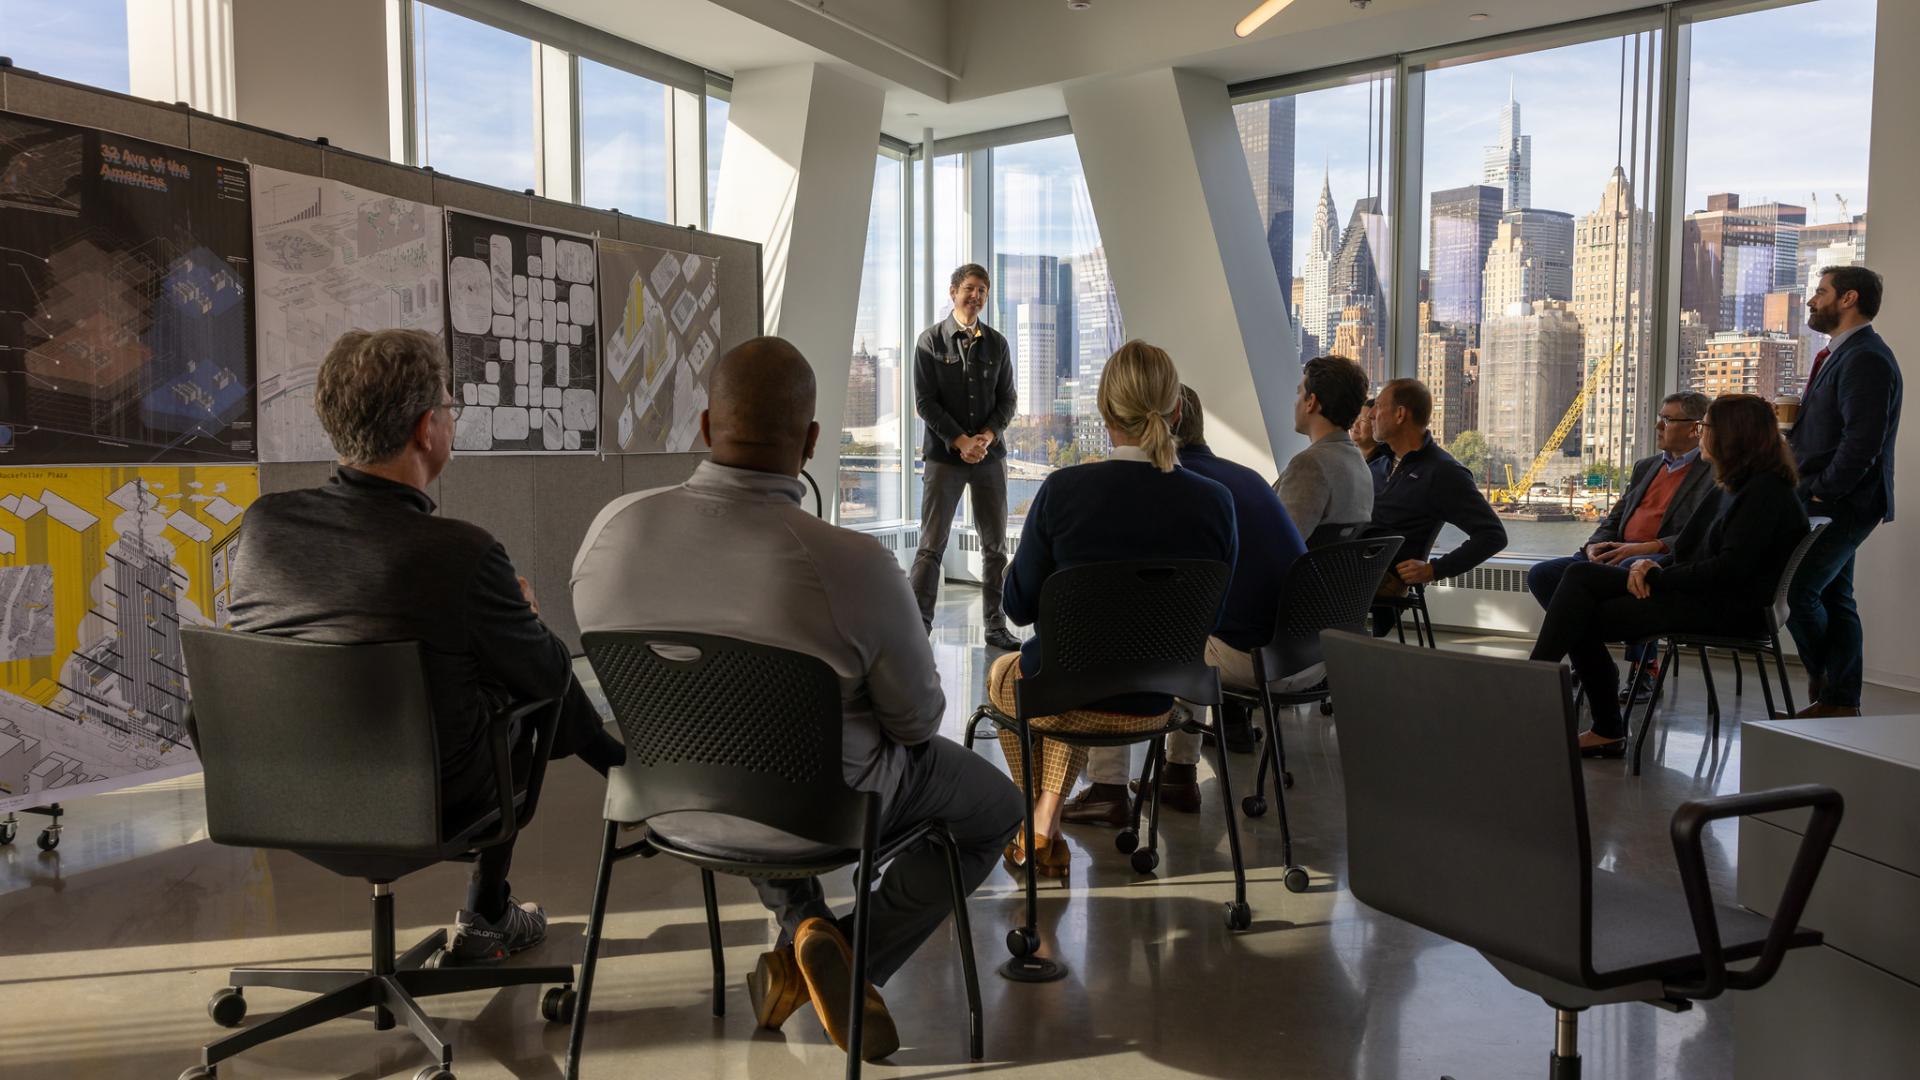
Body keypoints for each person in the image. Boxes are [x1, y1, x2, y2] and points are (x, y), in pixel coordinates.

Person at [571, 337, 1021, 1062]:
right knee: (995, 809)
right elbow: (917, 723)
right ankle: (848, 953)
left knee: (745, 754)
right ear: (811, 442)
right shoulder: (855, 566)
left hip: (667, 804)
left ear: (706, 427)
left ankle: (804, 931)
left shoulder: (608, 534)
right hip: (818, 814)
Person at [227, 329, 626, 963]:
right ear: (425, 429)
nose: (451, 418)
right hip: (422, 802)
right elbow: (550, 677)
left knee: (477, 663)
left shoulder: (264, 525)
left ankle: (620, 773)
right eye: (448, 406)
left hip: (278, 793)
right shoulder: (460, 554)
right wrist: (521, 613)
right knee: (514, 680)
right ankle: (491, 908)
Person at [987, 342, 1236, 876]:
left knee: (1012, 673)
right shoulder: (1216, 502)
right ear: (1176, 411)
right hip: (1160, 702)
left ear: (1104, 410)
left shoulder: (1063, 492)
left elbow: (1018, 606)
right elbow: (1212, 620)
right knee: (1072, 675)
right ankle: (1044, 821)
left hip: (1070, 691)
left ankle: (1037, 821)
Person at [1066, 385, 1305, 823]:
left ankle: (1107, 787)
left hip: (1251, 656)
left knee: (1116, 632)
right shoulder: (1247, 477)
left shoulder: (1177, 490)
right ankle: (1178, 774)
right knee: (1188, 625)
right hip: (1304, 651)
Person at [1531, 395, 1810, 756]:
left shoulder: (1762, 494)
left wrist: (1656, 575)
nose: (1700, 433)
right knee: (1579, 576)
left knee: (1580, 611)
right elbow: (1693, 549)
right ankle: (1548, 688)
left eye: (1705, 427)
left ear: (1730, 435)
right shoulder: (1741, 485)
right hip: (1703, 593)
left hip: (1728, 608)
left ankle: (1562, 701)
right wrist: (1652, 565)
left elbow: (1728, 570)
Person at [1527, 392, 1720, 704]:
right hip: (1616, 551)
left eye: (1668, 419)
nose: (1658, 426)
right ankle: (1592, 661)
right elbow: (1616, 516)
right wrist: (1594, 545)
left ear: (1695, 428)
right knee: (1543, 575)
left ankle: (1644, 669)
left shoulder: (1711, 472)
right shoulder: (1646, 466)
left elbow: (1699, 535)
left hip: (1658, 559)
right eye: (1659, 417)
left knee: (1627, 572)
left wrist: (1644, 548)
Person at [1784, 265, 1902, 718]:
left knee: (1797, 592)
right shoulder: (1841, 354)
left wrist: (1822, 491)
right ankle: (1839, 700)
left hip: (1843, 502)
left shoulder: (1865, 357)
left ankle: (1831, 686)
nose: (1812, 301)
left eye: (1821, 291)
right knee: (1835, 597)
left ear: (1848, 298)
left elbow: (1863, 442)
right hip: (1834, 499)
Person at [910, 264, 1020, 650]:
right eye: (970, 288)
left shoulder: (998, 344)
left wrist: (985, 438)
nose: (977, 296)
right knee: (931, 546)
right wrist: (960, 441)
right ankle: (917, 629)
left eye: (983, 290)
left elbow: (1008, 400)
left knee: (995, 548)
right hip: (944, 458)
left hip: (989, 457)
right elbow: (925, 402)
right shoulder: (929, 342)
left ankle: (996, 626)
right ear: (953, 291)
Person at [1364, 378, 1507, 635]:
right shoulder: (1378, 462)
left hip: (1378, 579)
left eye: (1379, 406)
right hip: (1353, 566)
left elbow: (1492, 535)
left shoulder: (1443, 472)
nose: (1371, 414)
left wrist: (1434, 570)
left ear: (1400, 414)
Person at [1275, 354, 1377, 544]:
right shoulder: (1360, 465)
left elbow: (1279, 543)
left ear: (1311, 402)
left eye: (1299, 393)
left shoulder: (1310, 465)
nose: (1295, 402)